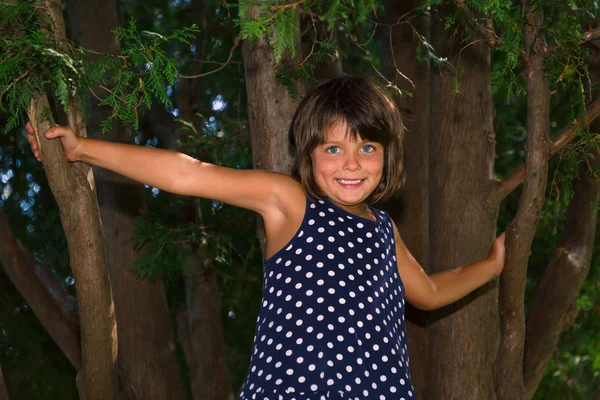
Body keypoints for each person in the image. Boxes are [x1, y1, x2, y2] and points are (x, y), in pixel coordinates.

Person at [26, 75, 505, 400]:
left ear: (386, 156)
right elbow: (188, 174)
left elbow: (432, 291)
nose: (352, 164)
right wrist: (83, 149)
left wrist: (492, 265)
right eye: (334, 148)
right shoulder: (290, 201)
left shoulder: (384, 232)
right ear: (309, 154)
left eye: (368, 148)